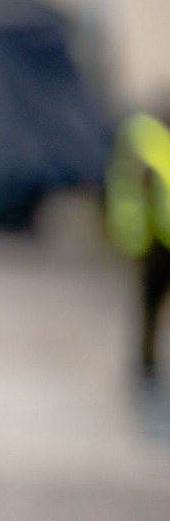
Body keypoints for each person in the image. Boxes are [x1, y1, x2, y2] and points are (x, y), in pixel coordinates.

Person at [106, 108, 170, 387]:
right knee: (149, 305)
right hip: (156, 243)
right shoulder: (151, 143)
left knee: (149, 306)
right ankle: (145, 363)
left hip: (153, 241)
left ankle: (146, 362)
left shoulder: (147, 140)